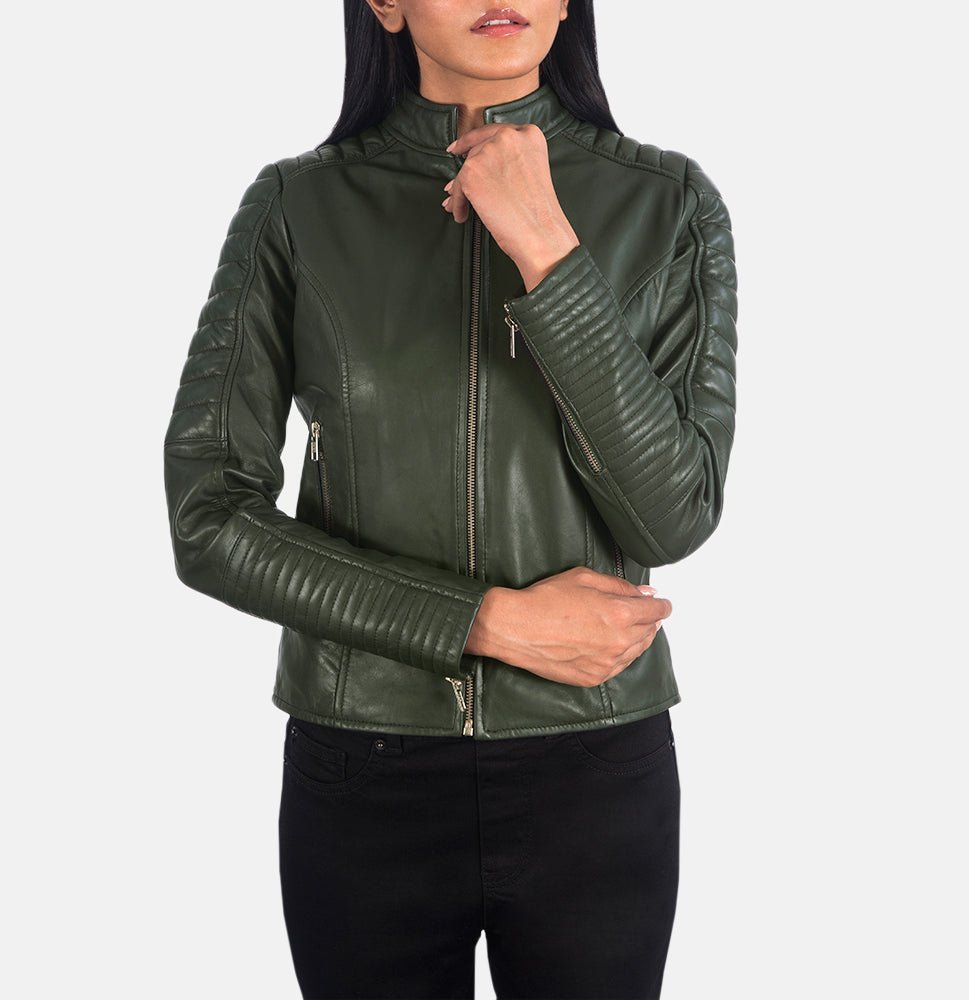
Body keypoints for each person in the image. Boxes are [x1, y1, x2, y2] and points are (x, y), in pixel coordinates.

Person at [162, 1, 737, 996]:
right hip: (364, 770)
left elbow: (672, 513)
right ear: (384, 2)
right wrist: (486, 623)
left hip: (595, 769)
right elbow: (210, 516)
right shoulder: (298, 207)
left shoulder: (667, 204)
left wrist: (548, 247)